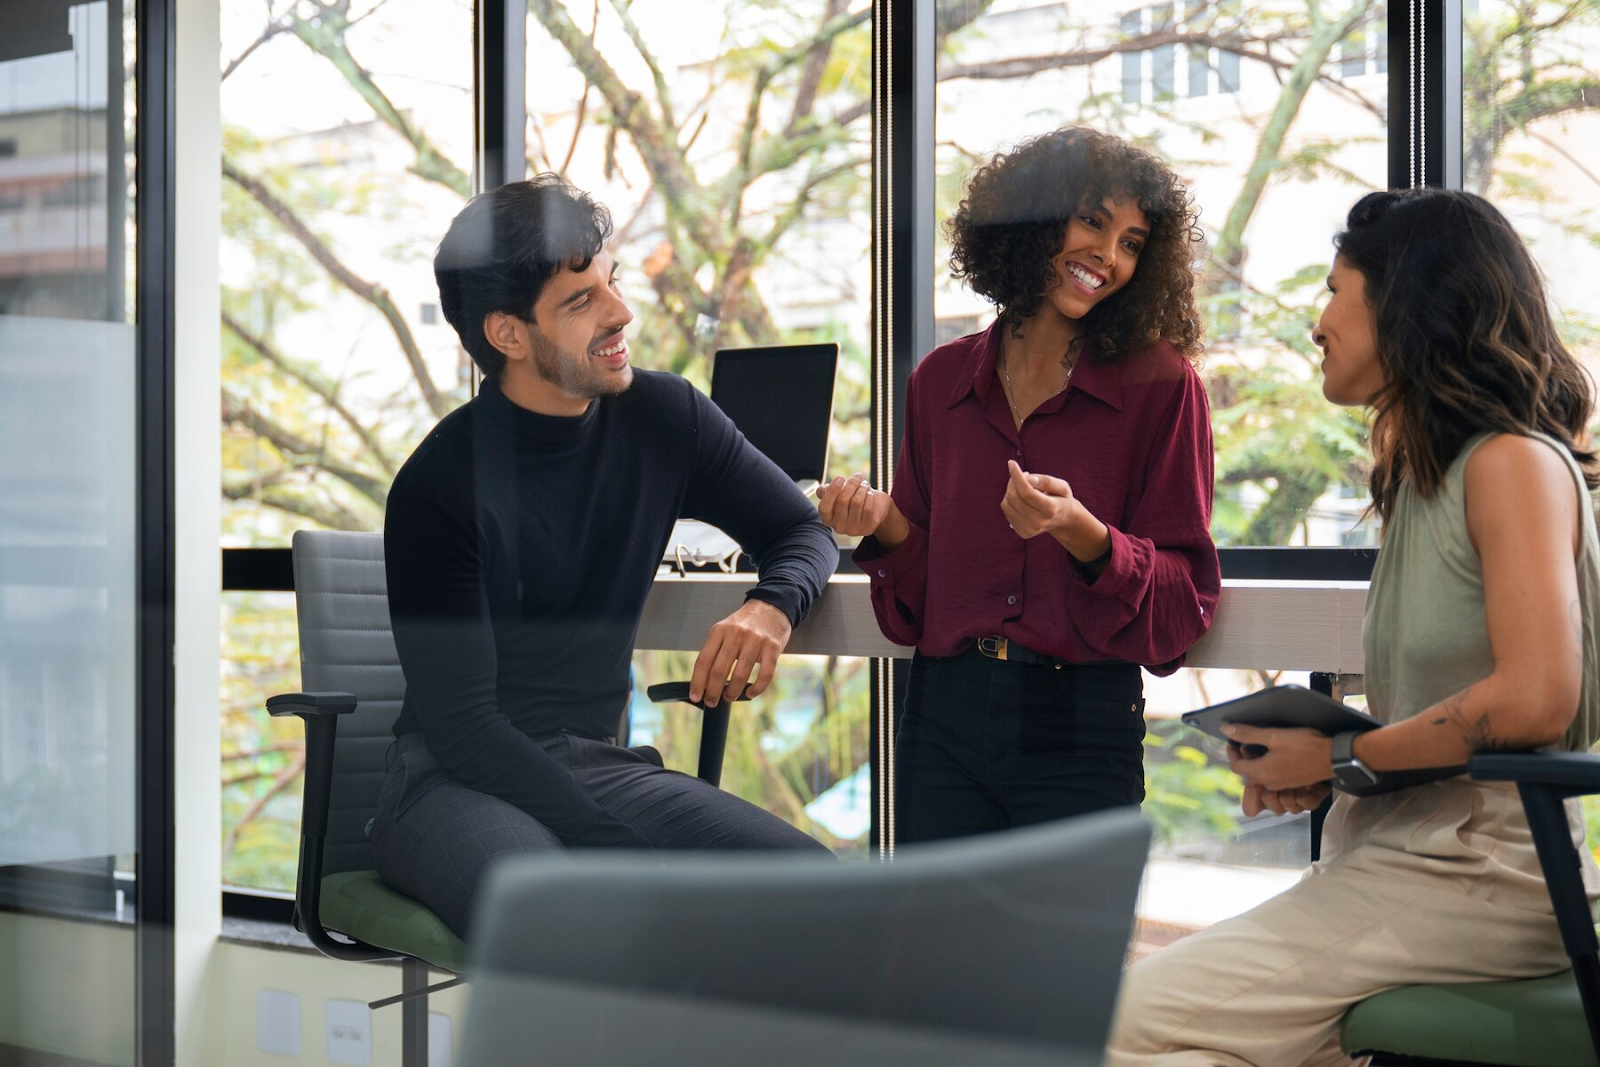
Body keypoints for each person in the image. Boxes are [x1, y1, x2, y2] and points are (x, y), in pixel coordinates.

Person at [1106, 188, 1600, 1066]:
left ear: (1406, 305)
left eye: (1335, 290)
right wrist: (1323, 765)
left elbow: (1534, 700)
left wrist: (1340, 758)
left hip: (1485, 882)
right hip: (1403, 865)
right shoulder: (1422, 482)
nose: (1317, 320)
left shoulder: (1513, 463)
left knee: (1110, 1021)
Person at [375, 175, 835, 938]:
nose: (620, 312)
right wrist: (627, 853)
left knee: (815, 892)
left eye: (609, 283)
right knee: (575, 921)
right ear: (509, 334)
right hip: (448, 786)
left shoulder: (665, 416)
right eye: (580, 301)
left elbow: (803, 532)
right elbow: (465, 731)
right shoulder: (439, 486)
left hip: (596, 766)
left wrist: (772, 606)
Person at [817, 127, 1220, 842]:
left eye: (1132, 241)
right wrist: (886, 524)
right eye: (1093, 220)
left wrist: (1087, 538)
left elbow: (1182, 609)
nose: (1108, 254)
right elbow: (913, 613)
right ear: (1034, 217)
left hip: (1080, 718)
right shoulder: (939, 382)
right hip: (942, 712)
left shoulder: (1164, 387)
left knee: (1062, 956)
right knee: (932, 950)